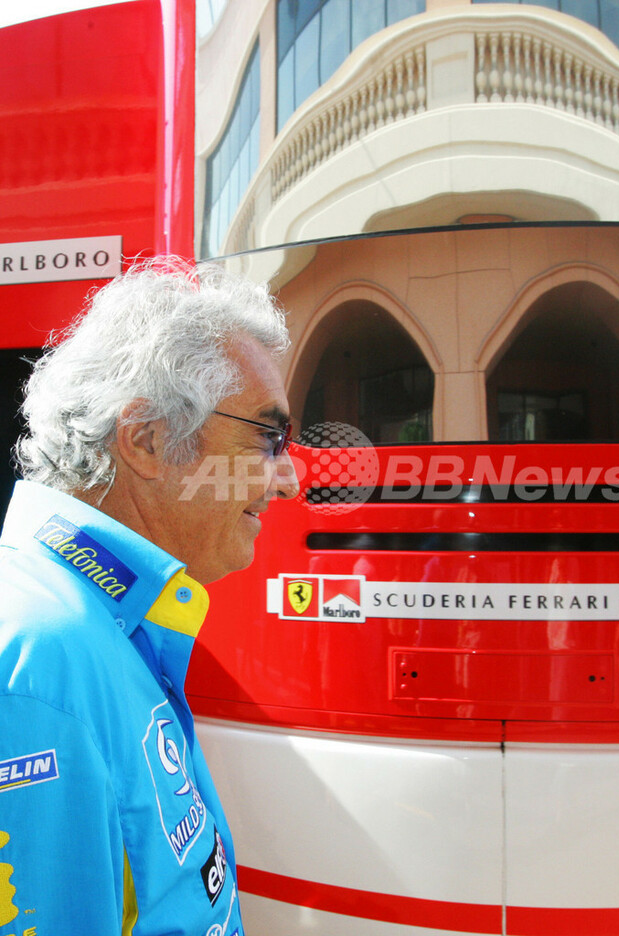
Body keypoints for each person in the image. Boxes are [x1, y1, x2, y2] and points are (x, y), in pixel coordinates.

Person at [0, 258, 298, 933]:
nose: (288, 479)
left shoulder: (97, 620)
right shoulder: (43, 657)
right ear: (148, 440)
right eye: (268, 436)